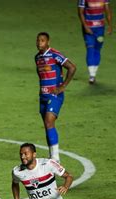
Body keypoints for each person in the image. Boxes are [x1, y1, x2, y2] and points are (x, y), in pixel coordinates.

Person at [35, 32, 76, 162]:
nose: (39, 43)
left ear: (48, 42)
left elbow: (72, 67)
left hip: (55, 95)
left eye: (42, 41)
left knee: (49, 121)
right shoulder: (37, 58)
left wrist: (63, 86)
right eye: (38, 41)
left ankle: (55, 158)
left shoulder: (54, 54)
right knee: (47, 125)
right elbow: (41, 74)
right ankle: (51, 154)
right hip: (43, 96)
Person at [78, 0, 112, 84]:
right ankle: (91, 75)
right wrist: (85, 26)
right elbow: (80, 12)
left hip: (100, 29)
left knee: (97, 49)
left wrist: (110, 25)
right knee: (90, 49)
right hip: (88, 29)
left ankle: (94, 73)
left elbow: (107, 9)